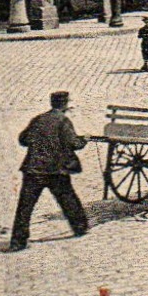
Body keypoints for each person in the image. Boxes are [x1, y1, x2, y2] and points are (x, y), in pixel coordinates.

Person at [10, 91, 90, 251]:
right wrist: (84, 140)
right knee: (68, 199)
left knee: (25, 207)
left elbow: (23, 139)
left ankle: (17, 242)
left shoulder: (38, 119)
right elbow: (74, 143)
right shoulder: (63, 121)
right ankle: (80, 228)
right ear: (65, 104)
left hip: (33, 169)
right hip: (55, 170)